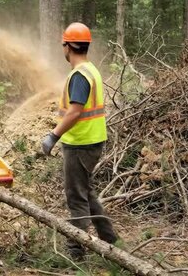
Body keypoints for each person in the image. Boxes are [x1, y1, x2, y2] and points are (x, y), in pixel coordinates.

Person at [40, 22, 118, 259]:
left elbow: (75, 111)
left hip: (81, 143)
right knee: (87, 192)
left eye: (63, 45)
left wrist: (53, 136)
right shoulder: (91, 69)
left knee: (76, 197)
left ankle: (75, 253)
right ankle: (112, 242)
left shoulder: (79, 76)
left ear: (68, 46)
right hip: (92, 140)